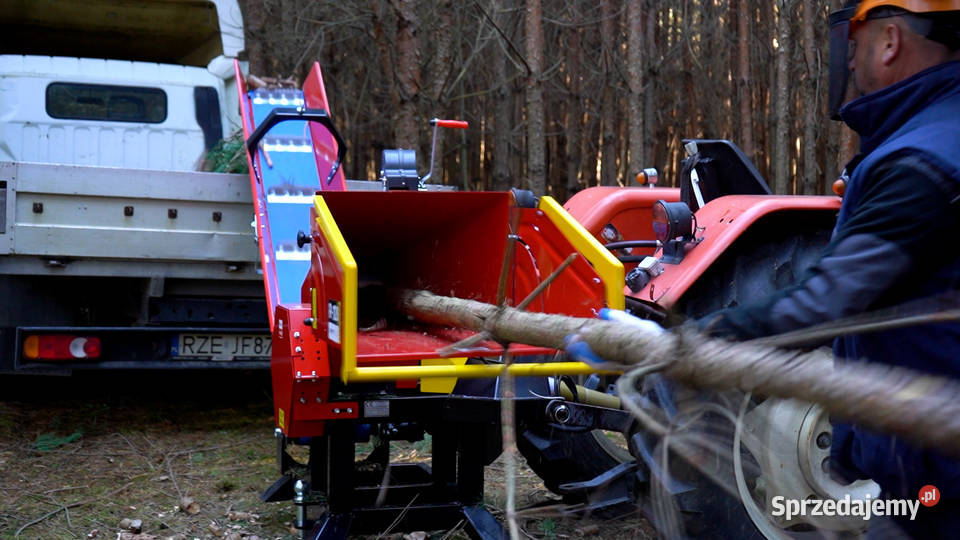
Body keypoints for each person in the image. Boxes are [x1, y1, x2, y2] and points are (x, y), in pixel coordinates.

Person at [698, 1, 960, 537]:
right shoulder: (931, 136)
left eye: (856, 44)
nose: (851, 60)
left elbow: (824, 304)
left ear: (890, 41)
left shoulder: (924, 160)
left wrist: (692, 342)